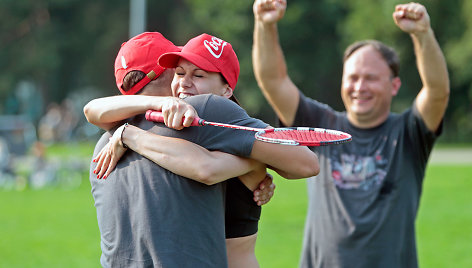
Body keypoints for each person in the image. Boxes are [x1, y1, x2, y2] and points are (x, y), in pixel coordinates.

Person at [85, 32, 319, 267]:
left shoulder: (101, 147)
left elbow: (92, 110)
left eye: (197, 73)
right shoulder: (202, 109)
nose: (184, 81)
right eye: (179, 71)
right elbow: (306, 163)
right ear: (164, 73)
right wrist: (254, 161)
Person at [252, 1, 449, 267]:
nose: (359, 87)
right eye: (353, 77)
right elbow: (273, 81)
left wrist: (423, 34)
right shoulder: (320, 126)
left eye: (370, 78)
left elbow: (437, 92)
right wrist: (265, 24)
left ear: (394, 86)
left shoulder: (409, 133)